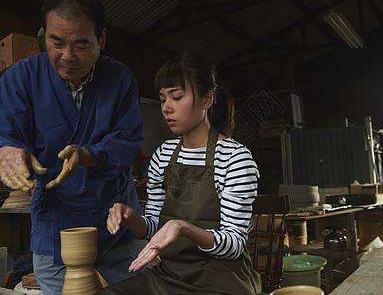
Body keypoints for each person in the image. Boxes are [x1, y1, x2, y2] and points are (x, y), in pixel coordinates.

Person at [0, 0, 147, 293]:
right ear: (44, 36)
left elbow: (128, 140)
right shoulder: (21, 78)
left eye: (81, 44)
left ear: (101, 38)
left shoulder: (120, 79)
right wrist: (7, 150)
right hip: (55, 226)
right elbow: (7, 132)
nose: (68, 55)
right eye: (56, 43)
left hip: (115, 220)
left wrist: (87, 155)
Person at [101, 53, 262, 294]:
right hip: (171, 275)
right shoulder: (162, 155)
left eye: (177, 97)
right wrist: (131, 219)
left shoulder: (235, 158)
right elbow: (154, 228)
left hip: (223, 279)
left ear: (207, 99)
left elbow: (235, 244)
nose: (166, 107)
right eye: (163, 98)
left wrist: (184, 228)